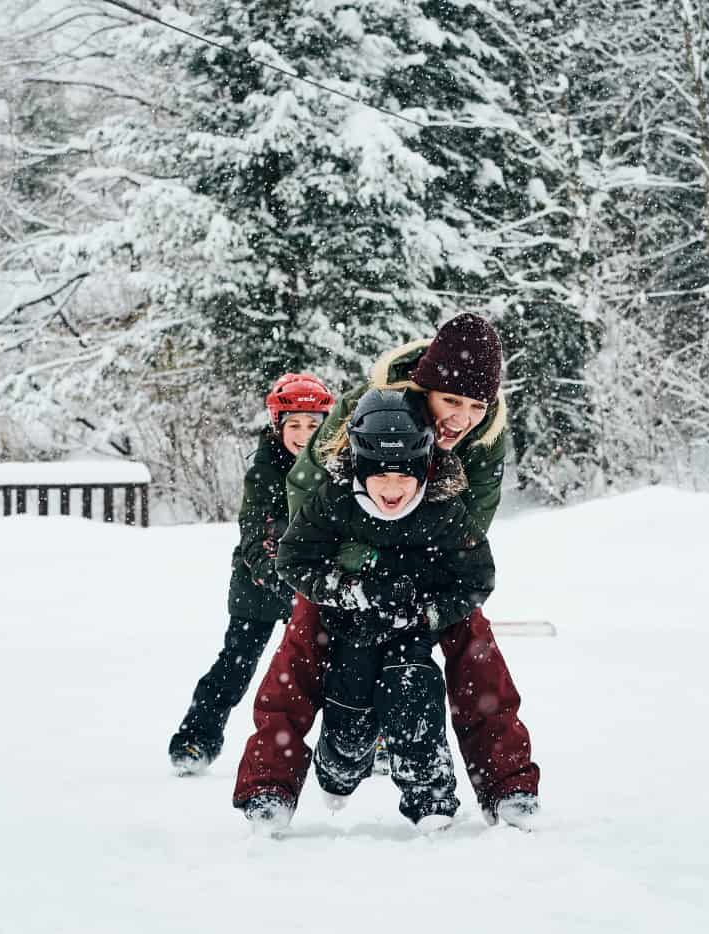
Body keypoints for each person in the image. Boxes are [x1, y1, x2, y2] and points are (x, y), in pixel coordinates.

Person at [233, 313, 542, 829]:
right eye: (451, 402)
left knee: (475, 648)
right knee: (300, 649)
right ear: (423, 388)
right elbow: (306, 497)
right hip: (342, 557)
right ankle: (270, 785)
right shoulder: (364, 411)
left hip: (428, 560)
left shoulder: (485, 443)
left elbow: (471, 534)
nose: (461, 418)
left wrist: (425, 592)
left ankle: (508, 785)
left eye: (475, 406)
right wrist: (364, 571)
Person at [241, 389, 495, 834]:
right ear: (359, 466)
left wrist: (425, 612)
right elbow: (293, 560)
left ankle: (429, 795)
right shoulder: (333, 499)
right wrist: (351, 590)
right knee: (348, 709)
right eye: (380, 476)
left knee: (415, 690)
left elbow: (477, 578)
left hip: (411, 625)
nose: (392, 490)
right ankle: (334, 768)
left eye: (404, 476)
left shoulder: (443, 509)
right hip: (347, 629)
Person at [167, 372, 333, 775]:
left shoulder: (334, 466)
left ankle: (366, 740)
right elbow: (257, 534)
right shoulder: (264, 471)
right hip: (259, 585)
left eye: (313, 426)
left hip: (315, 584)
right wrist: (282, 582)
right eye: (294, 425)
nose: (303, 434)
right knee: (237, 662)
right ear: (278, 426)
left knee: (343, 662)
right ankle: (197, 737)